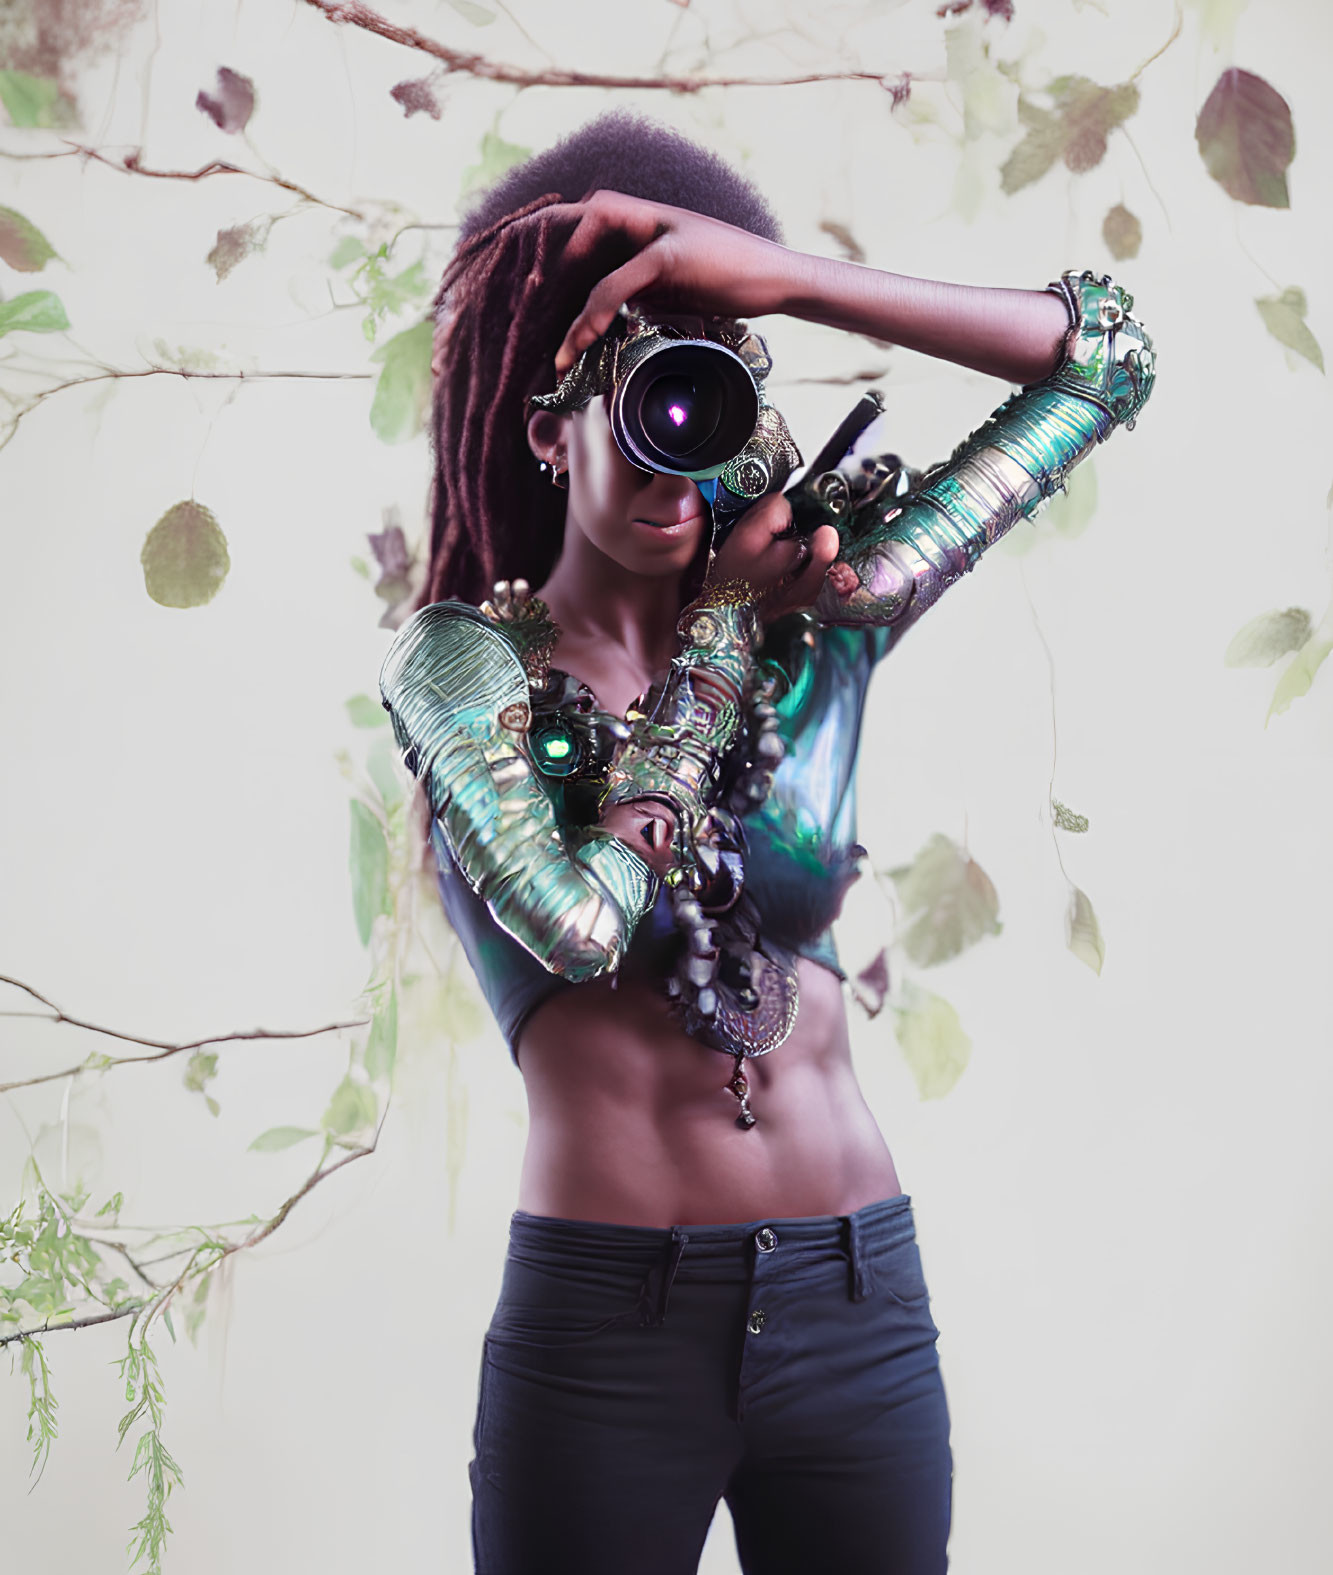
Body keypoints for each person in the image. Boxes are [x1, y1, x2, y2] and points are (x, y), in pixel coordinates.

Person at [380, 112, 1154, 1575]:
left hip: (859, 1302)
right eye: (643, 398)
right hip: (610, 1334)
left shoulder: (824, 615)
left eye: (716, 392)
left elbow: (1106, 361)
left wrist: (783, 284)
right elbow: (583, 921)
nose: (683, 449)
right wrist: (729, 627)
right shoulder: (462, 670)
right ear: (548, 430)